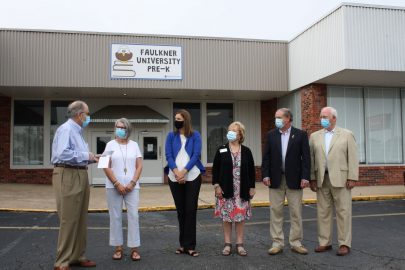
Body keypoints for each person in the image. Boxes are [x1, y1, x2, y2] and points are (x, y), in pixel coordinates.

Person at [51, 100, 98, 270]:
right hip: (67, 174)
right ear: (80, 115)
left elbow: (76, 154)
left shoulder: (77, 132)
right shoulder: (66, 129)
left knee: (80, 218)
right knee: (69, 219)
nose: (88, 117)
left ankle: (77, 256)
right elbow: (62, 153)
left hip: (79, 172)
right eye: (87, 113)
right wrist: (86, 155)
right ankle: (62, 261)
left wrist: (91, 158)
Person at [309, 106, 359, 256]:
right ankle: (325, 242)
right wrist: (312, 177)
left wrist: (352, 177)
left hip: (342, 180)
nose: (322, 120)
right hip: (321, 179)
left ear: (334, 118)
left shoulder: (346, 134)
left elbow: (353, 157)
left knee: (343, 212)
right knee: (323, 212)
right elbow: (311, 159)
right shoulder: (314, 136)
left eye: (325, 117)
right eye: (321, 117)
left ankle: (344, 243)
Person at [261, 108, 310, 256]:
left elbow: (306, 158)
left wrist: (305, 177)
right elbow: (266, 157)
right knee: (276, 212)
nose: (276, 120)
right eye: (276, 117)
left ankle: (296, 242)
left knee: (296, 212)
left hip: (295, 180)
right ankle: (277, 243)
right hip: (276, 179)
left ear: (288, 118)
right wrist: (265, 175)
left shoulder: (300, 135)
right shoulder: (271, 135)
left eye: (279, 117)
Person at [165, 109, 205, 257]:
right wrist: (176, 172)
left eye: (179, 118)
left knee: (190, 211)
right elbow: (168, 155)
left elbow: (196, 155)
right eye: (175, 118)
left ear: (185, 120)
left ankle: (190, 245)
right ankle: (183, 244)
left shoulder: (195, 135)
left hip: (192, 176)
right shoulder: (171, 136)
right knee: (181, 211)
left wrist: (184, 172)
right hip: (174, 177)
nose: (176, 121)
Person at [213, 121, 256, 256]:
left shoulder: (247, 151)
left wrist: (252, 187)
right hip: (225, 189)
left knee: (239, 218)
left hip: (241, 190)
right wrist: (217, 186)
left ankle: (239, 244)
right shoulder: (221, 149)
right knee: (226, 218)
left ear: (240, 134)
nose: (231, 132)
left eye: (235, 130)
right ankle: (227, 244)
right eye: (230, 129)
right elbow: (215, 169)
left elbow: (251, 171)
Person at [103, 118, 143, 261]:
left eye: (123, 127)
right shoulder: (109, 145)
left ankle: (134, 248)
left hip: (132, 187)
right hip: (113, 186)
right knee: (115, 217)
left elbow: (139, 166)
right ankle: (118, 247)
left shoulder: (135, 145)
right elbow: (105, 166)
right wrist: (116, 183)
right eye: (117, 127)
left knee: (133, 216)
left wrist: (132, 183)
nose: (120, 129)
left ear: (128, 129)